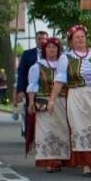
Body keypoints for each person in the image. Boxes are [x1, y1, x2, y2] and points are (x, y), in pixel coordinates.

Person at [53, 25, 91, 175]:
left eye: (82, 36)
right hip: (77, 96)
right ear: (71, 41)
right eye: (77, 37)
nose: (80, 39)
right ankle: (86, 164)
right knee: (80, 128)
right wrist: (52, 100)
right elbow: (59, 80)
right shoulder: (66, 58)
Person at [25, 39, 71, 170]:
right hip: (43, 101)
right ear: (44, 50)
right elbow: (33, 85)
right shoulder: (38, 66)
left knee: (62, 129)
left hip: (61, 100)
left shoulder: (64, 65)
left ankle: (61, 157)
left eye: (54, 47)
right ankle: (49, 161)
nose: (52, 50)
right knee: (46, 130)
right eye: (49, 47)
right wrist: (31, 102)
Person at [15, 30, 48, 141]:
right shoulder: (27, 54)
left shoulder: (53, 53)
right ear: (36, 40)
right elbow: (21, 73)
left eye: (44, 39)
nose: (42, 41)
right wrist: (20, 90)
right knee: (31, 112)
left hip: (47, 89)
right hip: (31, 89)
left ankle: (43, 136)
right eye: (40, 39)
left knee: (45, 113)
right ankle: (31, 136)